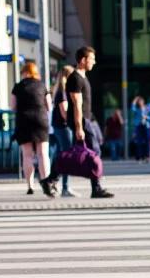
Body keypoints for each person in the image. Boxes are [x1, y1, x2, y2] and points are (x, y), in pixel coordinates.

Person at [42, 47, 114, 198]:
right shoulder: (75, 78)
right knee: (93, 151)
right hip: (81, 121)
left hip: (86, 120)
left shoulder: (82, 77)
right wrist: (79, 127)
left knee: (75, 153)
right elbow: (76, 104)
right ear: (82, 60)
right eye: (91, 59)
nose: (94, 62)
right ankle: (96, 188)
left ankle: (51, 179)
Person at [11, 60, 50, 195]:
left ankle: (30, 186)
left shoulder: (17, 87)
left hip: (24, 120)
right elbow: (49, 106)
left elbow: (13, 107)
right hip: (40, 120)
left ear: (25, 73)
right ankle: (46, 183)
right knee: (42, 154)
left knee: (27, 155)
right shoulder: (42, 86)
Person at [49, 65, 78, 198]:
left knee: (60, 155)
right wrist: (75, 123)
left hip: (58, 126)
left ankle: (53, 181)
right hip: (64, 127)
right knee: (66, 156)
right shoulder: (63, 92)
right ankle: (64, 186)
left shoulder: (60, 91)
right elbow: (64, 112)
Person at [129, 95, 150, 161]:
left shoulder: (147, 108)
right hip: (138, 125)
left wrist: (147, 117)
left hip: (146, 125)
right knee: (139, 141)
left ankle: (147, 156)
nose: (140, 102)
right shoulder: (137, 109)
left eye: (141, 101)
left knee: (147, 141)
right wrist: (135, 100)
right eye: (139, 102)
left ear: (143, 102)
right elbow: (132, 108)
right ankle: (139, 156)